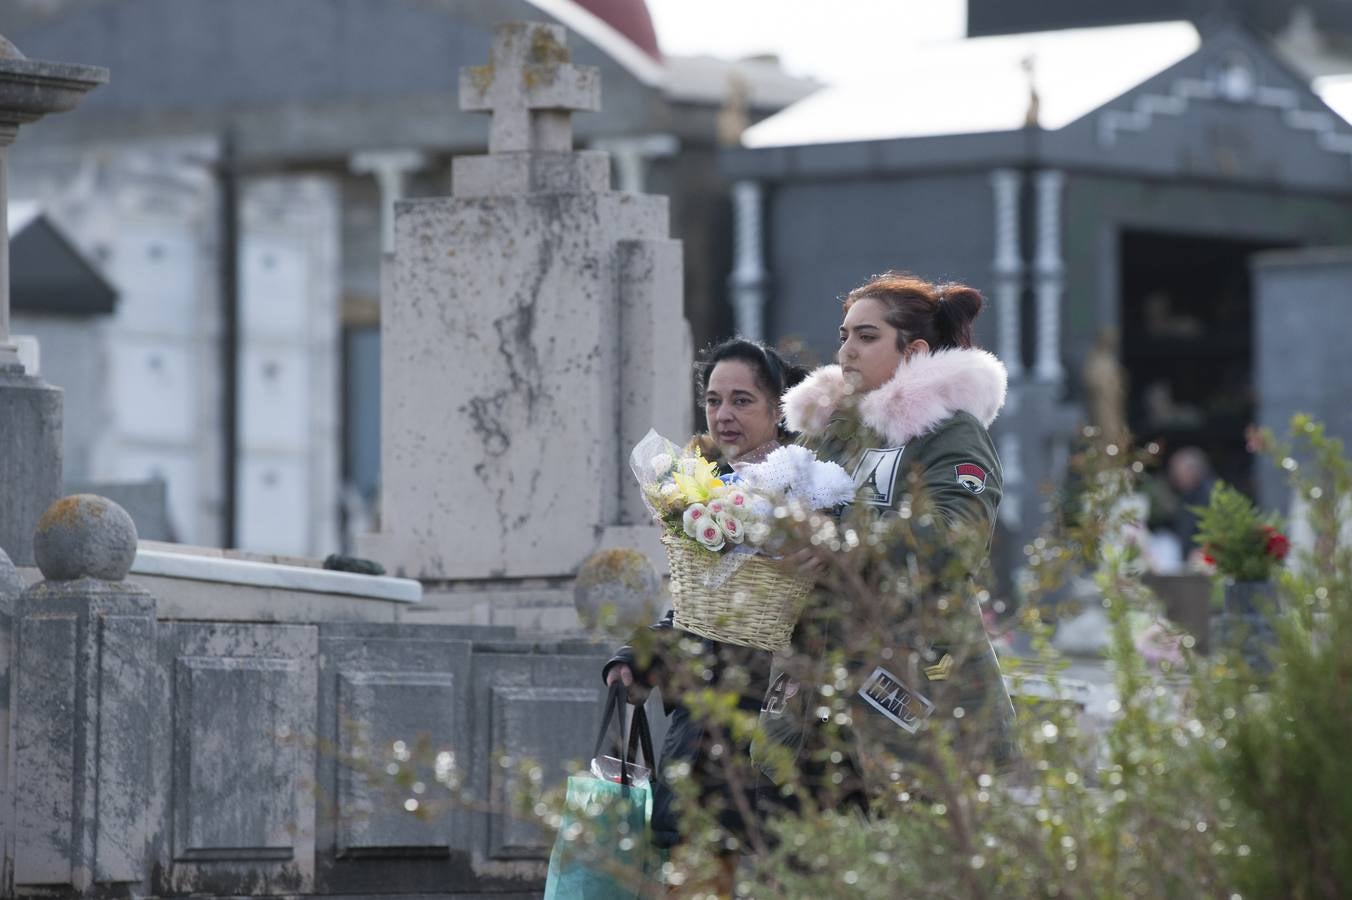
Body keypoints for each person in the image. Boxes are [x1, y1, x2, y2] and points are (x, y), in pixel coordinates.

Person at [758, 271, 1016, 810]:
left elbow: (958, 539)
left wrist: (844, 543)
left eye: (866, 336)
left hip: (914, 693)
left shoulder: (949, 431)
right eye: (844, 335)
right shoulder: (834, 429)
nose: (846, 351)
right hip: (815, 692)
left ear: (913, 350)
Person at [601, 339, 806, 874]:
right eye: (714, 401)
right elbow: (696, 615)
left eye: (742, 400)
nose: (724, 415)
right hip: (699, 741)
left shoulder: (813, 499)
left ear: (779, 409)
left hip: (773, 742)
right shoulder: (702, 496)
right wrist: (638, 659)